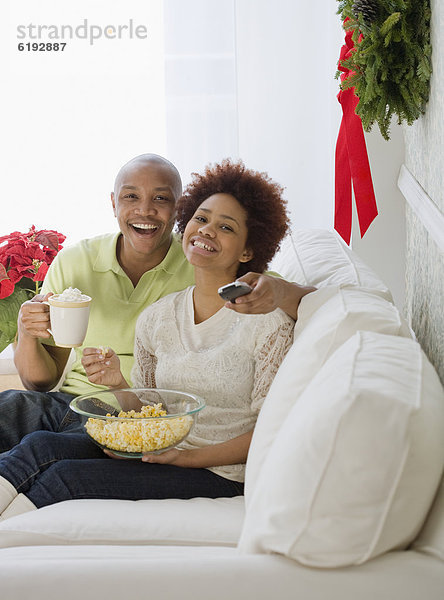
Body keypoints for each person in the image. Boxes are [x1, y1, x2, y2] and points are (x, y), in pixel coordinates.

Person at [0, 159, 295, 518]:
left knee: (57, 473)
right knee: (33, 439)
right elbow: (144, 409)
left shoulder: (263, 312)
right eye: (201, 219)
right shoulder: (158, 316)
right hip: (143, 433)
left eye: (226, 227)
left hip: (215, 466)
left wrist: (184, 457)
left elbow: (273, 424)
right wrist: (116, 382)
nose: (206, 232)